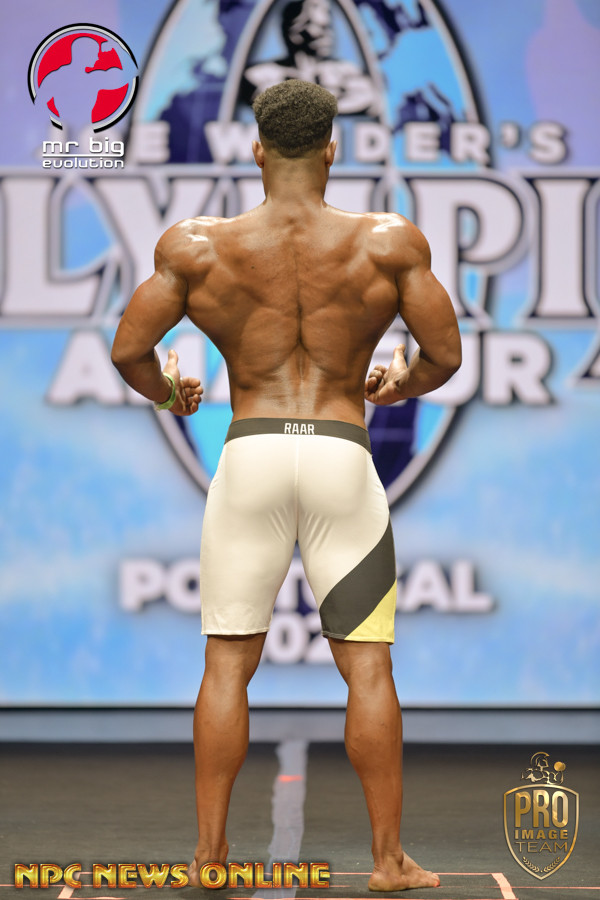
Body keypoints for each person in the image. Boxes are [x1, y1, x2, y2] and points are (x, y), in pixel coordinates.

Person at [111, 79, 461, 892]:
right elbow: (444, 356)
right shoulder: (388, 242)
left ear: (256, 149)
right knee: (367, 669)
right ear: (334, 148)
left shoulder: (197, 248)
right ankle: (388, 863)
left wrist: (169, 395)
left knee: (226, 666)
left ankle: (209, 859)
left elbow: (129, 350)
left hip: (253, 459)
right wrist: (398, 385)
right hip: (340, 457)